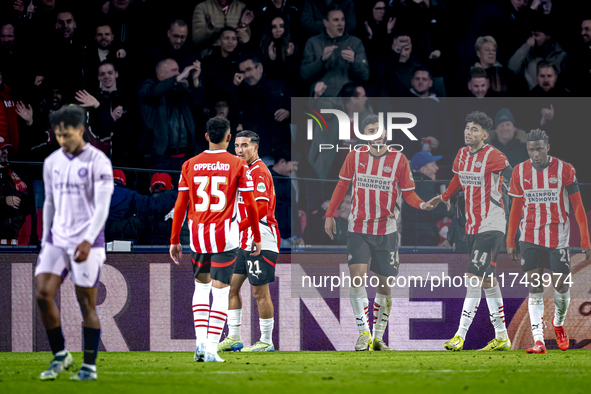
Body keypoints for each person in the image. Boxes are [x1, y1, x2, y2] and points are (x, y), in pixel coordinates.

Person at [323, 114, 436, 351]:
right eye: (371, 130)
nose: (377, 133)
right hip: (358, 228)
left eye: (379, 129)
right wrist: (330, 214)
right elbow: (342, 185)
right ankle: (363, 332)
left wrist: (423, 204)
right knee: (357, 279)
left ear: (385, 133)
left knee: (384, 286)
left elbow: (408, 193)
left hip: (387, 230)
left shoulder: (399, 159)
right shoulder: (355, 156)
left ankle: (377, 338)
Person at [169, 116, 262, 363]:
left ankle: (200, 344)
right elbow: (251, 205)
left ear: (207, 136)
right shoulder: (238, 165)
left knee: (201, 288)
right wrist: (255, 234)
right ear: (229, 138)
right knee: (221, 293)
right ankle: (210, 348)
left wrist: (174, 238)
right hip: (226, 238)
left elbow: (181, 204)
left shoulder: (189, 164)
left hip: (198, 237)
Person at [34, 105, 114, 381]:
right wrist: (45, 240)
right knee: (42, 294)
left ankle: (89, 366)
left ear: (80, 131)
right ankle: (60, 355)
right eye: (57, 135)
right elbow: (50, 203)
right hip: (57, 239)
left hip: (87, 241)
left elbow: (103, 207)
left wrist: (87, 240)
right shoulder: (52, 162)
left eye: (66, 135)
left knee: (86, 303)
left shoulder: (99, 161)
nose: (61, 140)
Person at [432, 111, 513, 352]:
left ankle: (460, 335)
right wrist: (446, 195)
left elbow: (515, 178)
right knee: (488, 281)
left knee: (473, 279)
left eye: (475, 129)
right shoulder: (461, 154)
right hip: (472, 226)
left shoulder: (494, 156)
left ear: (485, 134)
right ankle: (502, 337)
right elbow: (458, 178)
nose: (469, 132)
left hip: (492, 224)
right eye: (467, 128)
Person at [506, 129, 591, 354]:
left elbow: (578, 206)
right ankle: (538, 340)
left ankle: (558, 324)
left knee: (561, 287)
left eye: (539, 149)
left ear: (547, 147)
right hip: (529, 238)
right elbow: (515, 208)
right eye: (531, 149)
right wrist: (510, 239)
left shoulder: (565, 169)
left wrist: (585, 239)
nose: (535, 154)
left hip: (557, 238)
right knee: (535, 289)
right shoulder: (519, 171)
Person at [219, 131, 280, 353]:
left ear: (256, 148)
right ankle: (234, 337)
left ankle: (266, 341)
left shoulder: (259, 172)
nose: (239, 150)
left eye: (244, 145)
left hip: (260, 238)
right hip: (243, 240)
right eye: (236, 145)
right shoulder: (241, 172)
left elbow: (262, 208)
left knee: (259, 292)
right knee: (230, 288)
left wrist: (235, 227)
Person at [300, 5, 369, 97]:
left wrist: (354, 62)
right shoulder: (312, 42)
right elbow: (304, 75)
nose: (341, 23)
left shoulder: (355, 43)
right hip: (322, 100)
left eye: (343, 19)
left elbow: (365, 76)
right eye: (336, 20)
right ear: (326, 23)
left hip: (347, 102)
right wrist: (321, 60)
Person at [507, 15, 567, 91]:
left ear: (548, 36)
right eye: (532, 34)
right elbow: (510, 70)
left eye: (537, 35)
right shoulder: (528, 53)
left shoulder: (560, 54)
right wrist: (526, 47)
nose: (533, 38)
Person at [401, 151, 448, 246]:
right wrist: (445, 204)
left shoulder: (413, 184)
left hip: (411, 239)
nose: (437, 168)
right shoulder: (423, 185)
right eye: (433, 165)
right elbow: (436, 212)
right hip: (422, 242)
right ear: (424, 170)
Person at [0, 141, 29, 241]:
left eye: (6, 149)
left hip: (15, 232)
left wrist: (19, 219)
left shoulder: (14, 173)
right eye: (1, 149)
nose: (5, 152)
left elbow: (25, 198)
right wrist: (5, 200)